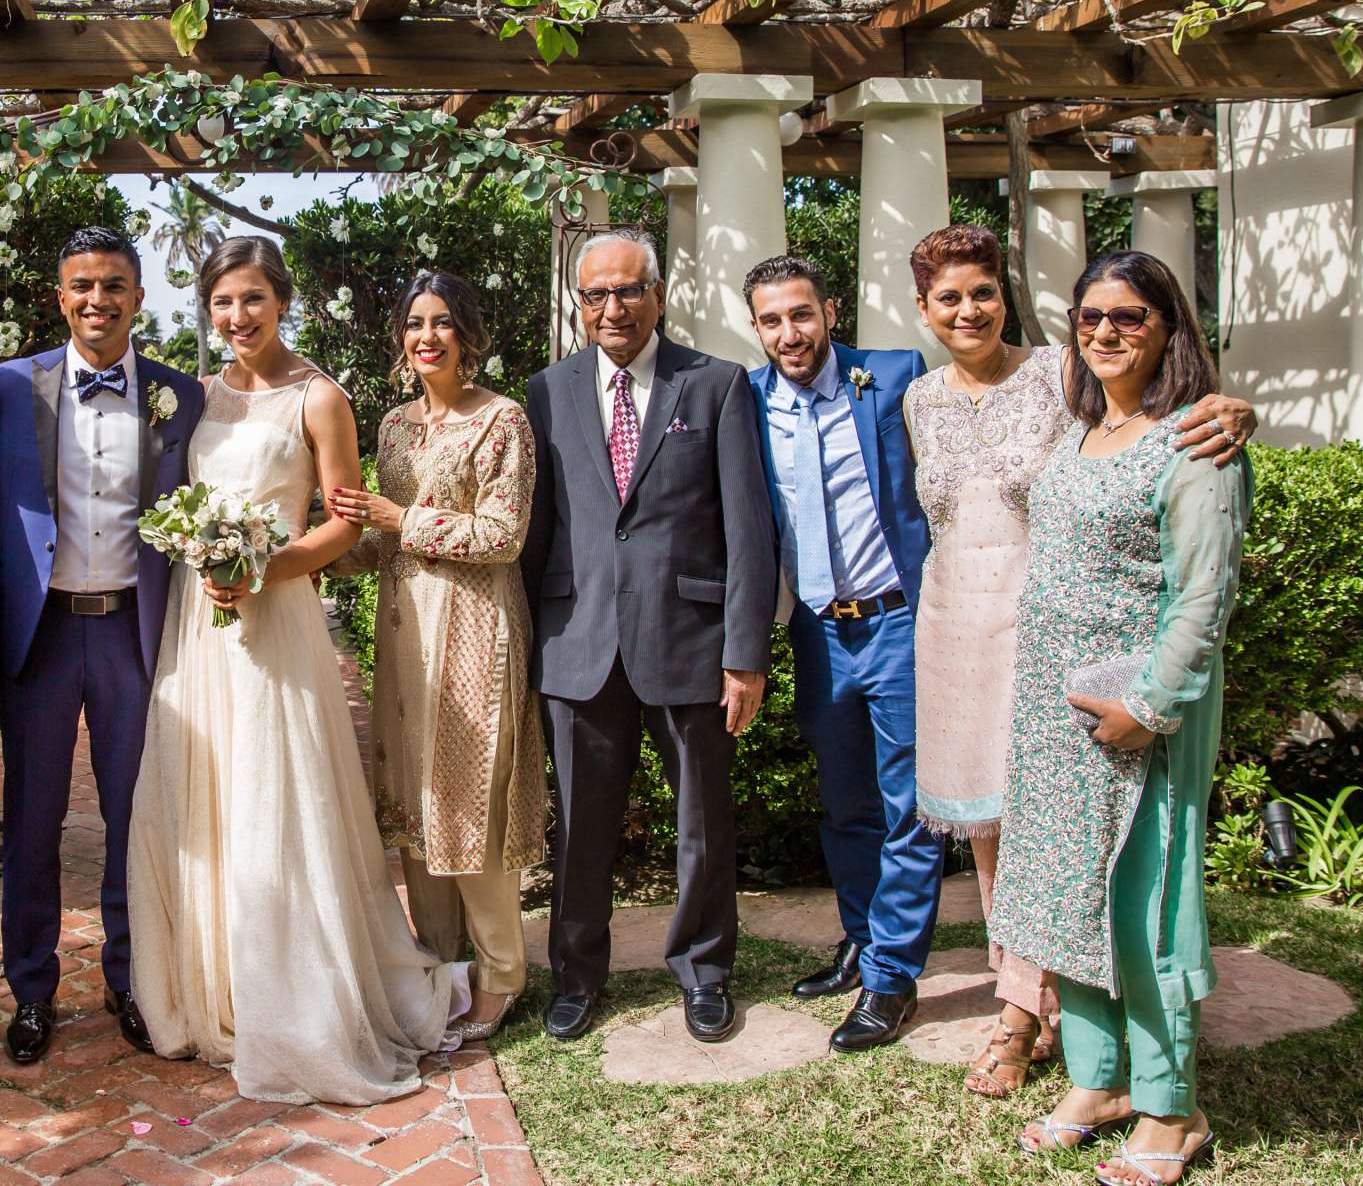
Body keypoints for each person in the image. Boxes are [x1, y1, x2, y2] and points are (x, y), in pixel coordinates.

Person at [901, 226, 1254, 1100]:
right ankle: (1030, 999)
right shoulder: (917, 399)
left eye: (983, 291)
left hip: (1051, 632)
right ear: (924, 309)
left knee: (1048, 829)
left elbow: (1152, 418)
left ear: (1007, 297)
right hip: (953, 631)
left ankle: (1026, 1015)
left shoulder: (1060, 372)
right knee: (993, 834)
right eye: (948, 296)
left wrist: (1237, 408)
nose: (968, 309)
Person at [127, 235, 466, 1104]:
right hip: (197, 630)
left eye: (253, 301)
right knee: (204, 791)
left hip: (276, 620)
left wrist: (265, 569)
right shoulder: (197, 398)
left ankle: (298, 1001)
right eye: (223, 304)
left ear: (283, 302)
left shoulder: (320, 398)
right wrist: (208, 561)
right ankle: (218, 987)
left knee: (276, 795)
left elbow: (345, 523)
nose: (238, 318)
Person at [992, 251, 1251, 1184]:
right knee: (1073, 901)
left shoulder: (1196, 443)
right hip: (1054, 719)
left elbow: (1204, 596)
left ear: (1169, 329)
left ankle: (1172, 1106)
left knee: (1146, 910)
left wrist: (1150, 706)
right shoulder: (1083, 430)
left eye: (1131, 316)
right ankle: (1100, 1080)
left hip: (1142, 719)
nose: (1106, 331)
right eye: (1090, 315)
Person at [521, 229, 776, 1045]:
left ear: (658, 295)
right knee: (582, 829)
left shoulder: (717, 385)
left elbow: (749, 529)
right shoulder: (547, 391)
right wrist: (530, 654)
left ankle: (704, 972)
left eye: (627, 291)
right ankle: (576, 975)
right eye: (595, 295)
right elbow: (540, 532)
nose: (612, 309)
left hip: (691, 642)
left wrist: (745, 654)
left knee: (703, 821)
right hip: (579, 643)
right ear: (580, 304)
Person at [0, 225, 204, 1066]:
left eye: (114, 285)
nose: (98, 300)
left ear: (139, 297)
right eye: (82, 285)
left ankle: (131, 978)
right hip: (38, 637)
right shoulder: (11, 387)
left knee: (132, 814)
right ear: (60, 296)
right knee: (31, 821)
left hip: (130, 632)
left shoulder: (179, 396)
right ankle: (32, 990)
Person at [326, 270, 544, 1042]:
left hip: (477, 630)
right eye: (415, 322)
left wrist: (400, 516)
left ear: (468, 335)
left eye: (443, 322)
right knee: (417, 809)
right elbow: (381, 542)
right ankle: (440, 963)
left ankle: (503, 973)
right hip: (403, 634)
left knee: (468, 804)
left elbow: (502, 535)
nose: (427, 336)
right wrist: (313, 547)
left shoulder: (502, 421)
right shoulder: (392, 428)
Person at [740, 254, 939, 1052]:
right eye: (771, 320)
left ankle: (893, 977)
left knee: (910, 806)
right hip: (817, 632)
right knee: (846, 804)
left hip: (898, 624)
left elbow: (1000, 384)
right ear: (755, 328)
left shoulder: (894, 376)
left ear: (830, 311)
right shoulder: (746, 400)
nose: (789, 333)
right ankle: (861, 939)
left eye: (801, 314)